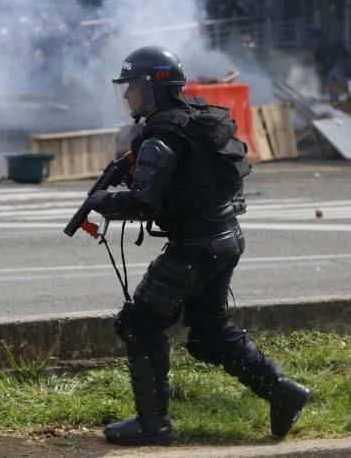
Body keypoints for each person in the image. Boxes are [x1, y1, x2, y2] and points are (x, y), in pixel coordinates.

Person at [82, 46, 310, 446]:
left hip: (195, 247)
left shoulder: (160, 136)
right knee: (208, 329)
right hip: (225, 238)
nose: (127, 97)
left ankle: (152, 425)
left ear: (153, 89)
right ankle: (283, 392)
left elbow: (143, 202)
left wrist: (103, 203)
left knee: (138, 323)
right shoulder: (192, 119)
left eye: (133, 88)